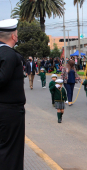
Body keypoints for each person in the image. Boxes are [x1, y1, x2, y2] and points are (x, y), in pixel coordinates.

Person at [0, 19, 26, 170]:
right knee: (10, 151)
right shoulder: (9, 54)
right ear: (14, 36)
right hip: (9, 113)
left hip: (5, 110)